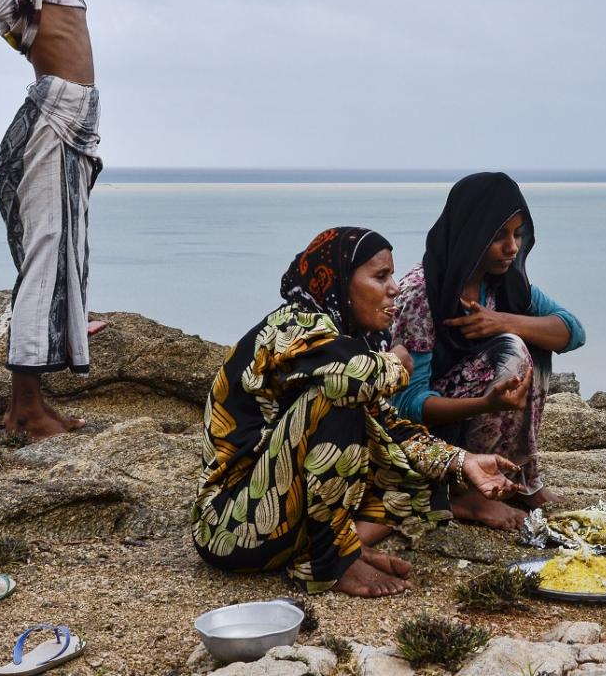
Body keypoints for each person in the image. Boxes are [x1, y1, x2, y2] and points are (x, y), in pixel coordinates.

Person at [193, 227, 522, 597]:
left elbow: (391, 427)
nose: (395, 288)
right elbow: (350, 380)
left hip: (283, 522)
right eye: (380, 276)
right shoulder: (293, 325)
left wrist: (463, 463)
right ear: (339, 283)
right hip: (232, 530)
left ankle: (339, 546)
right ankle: (331, 562)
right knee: (340, 397)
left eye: (392, 275)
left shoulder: (348, 341)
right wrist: (394, 363)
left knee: (409, 459)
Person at [0, 0, 136, 440]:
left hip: (73, 120)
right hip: (53, 116)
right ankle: (25, 410)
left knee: (62, 252)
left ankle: (32, 404)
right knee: (47, 253)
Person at [390, 172, 585, 530]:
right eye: (498, 236)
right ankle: (466, 493)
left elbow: (572, 332)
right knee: (511, 350)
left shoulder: (505, 283)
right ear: (470, 235)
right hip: (427, 441)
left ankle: (522, 478)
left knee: (530, 341)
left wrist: (503, 321)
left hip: (482, 408)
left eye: (517, 233)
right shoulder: (421, 293)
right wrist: (486, 403)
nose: (511, 247)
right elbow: (406, 404)